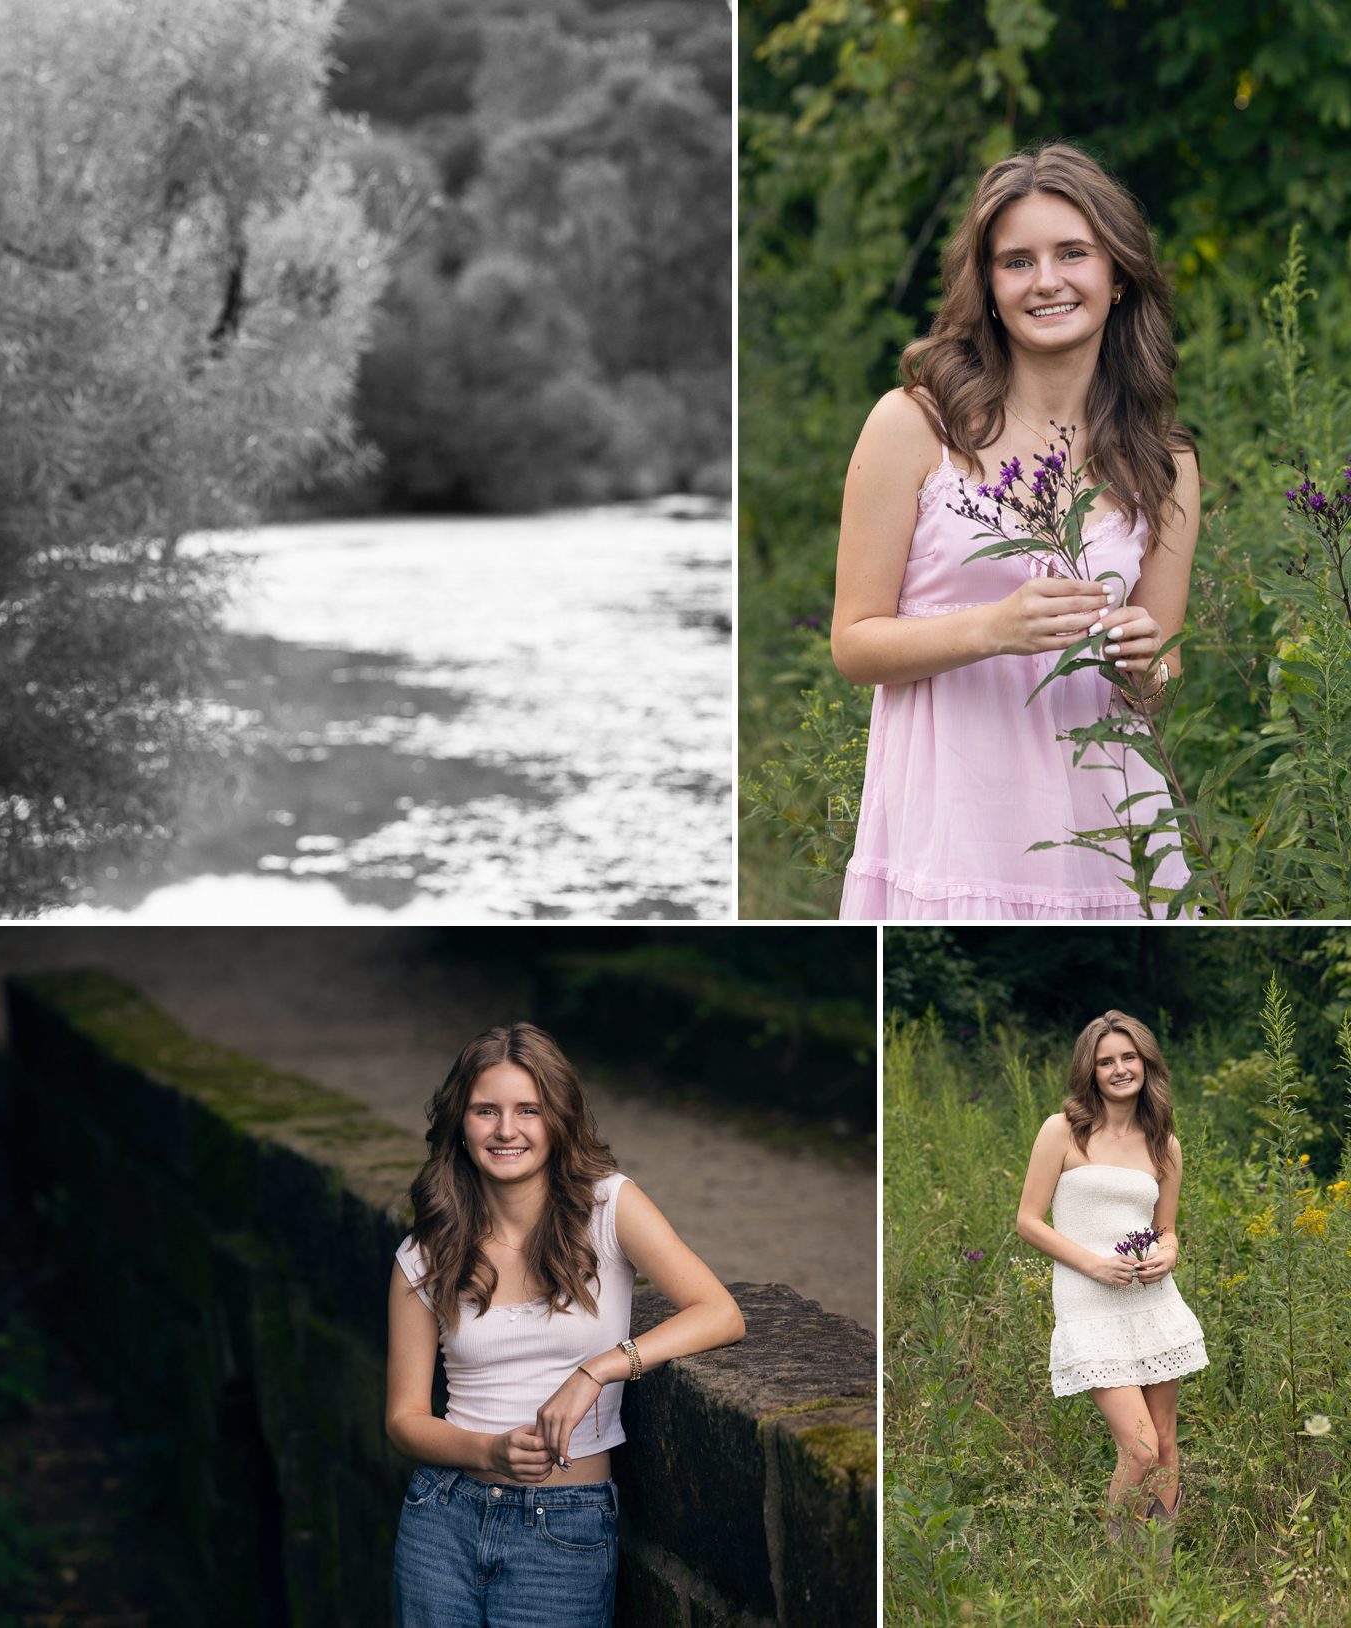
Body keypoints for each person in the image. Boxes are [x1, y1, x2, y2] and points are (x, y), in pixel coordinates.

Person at [832, 143, 1201, 919]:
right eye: (1017, 261)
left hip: (1111, 822)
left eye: (1074, 253)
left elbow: (1161, 682)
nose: (1048, 281)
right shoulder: (915, 424)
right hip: (956, 817)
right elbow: (855, 643)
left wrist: (1146, 662)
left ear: (1119, 273)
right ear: (989, 286)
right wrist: (994, 628)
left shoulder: (1162, 460)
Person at [385, 1023, 745, 1627]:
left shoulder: (609, 1207)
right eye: (485, 1111)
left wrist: (597, 1370)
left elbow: (720, 1313)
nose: (506, 1130)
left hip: (566, 1527)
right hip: (441, 1518)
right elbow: (403, 1419)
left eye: (529, 1109)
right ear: (460, 1123)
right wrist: (489, 1451)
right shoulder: (426, 1252)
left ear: (559, 1118)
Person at [1015, 1010, 1207, 1549]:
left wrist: (1167, 1254)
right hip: (1089, 1300)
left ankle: (1158, 1570)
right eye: (1106, 1061)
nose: (1120, 1069)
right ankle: (1116, 1562)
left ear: (1147, 1063)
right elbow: (1028, 1222)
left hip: (1152, 1300)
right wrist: (1093, 1264)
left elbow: (1165, 1229)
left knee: (1166, 1444)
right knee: (1140, 1448)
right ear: (1090, 1070)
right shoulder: (1063, 1129)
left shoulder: (1164, 1144)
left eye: (1129, 1057)